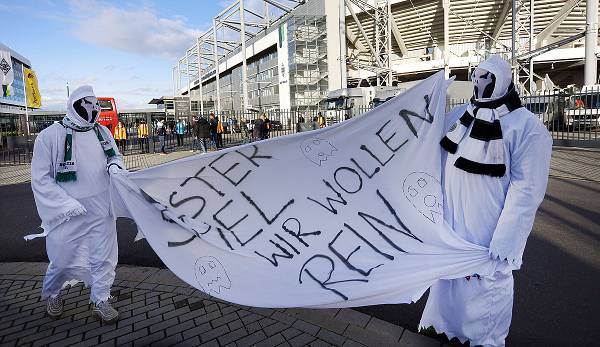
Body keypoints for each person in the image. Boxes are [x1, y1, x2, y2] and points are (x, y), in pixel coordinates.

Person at [419, 56, 552, 346]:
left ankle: (486, 340)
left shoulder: (526, 127)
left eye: (486, 79)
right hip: (452, 221)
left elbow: (527, 190)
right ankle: (441, 327)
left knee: (485, 286)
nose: (479, 84)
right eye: (476, 77)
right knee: (448, 282)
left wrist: (506, 242)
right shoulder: (459, 117)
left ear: (500, 81)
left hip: (487, 229)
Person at [28, 85, 125, 323]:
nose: (92, 110)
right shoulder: (50, 136)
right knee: (61, 258)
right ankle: (53, 293)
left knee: (104, 257)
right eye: (87, 104)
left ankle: (101, 298)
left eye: (95, 105)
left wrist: (115, 166)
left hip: (101, 209)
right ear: (74, 105)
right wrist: (65, 205)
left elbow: (115, 156)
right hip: (68, 213)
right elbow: (40, 178)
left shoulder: (102, 132)